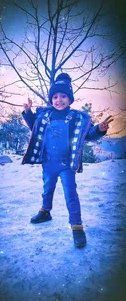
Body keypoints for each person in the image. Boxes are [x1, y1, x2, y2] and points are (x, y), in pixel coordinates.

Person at [22, 73, 113, 248]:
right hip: (48, 162)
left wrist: (99, 130)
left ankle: (77, 226)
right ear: (51, 99)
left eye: (63, 96)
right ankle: (45, 212)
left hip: (66, 165)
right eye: (55, 97)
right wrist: (28, 113)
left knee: (70, 194)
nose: (59, 100)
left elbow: (87, 135)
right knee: (47, 189)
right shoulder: (46, 115)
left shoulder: (76, 118)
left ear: (69, 98)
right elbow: (35, 127)